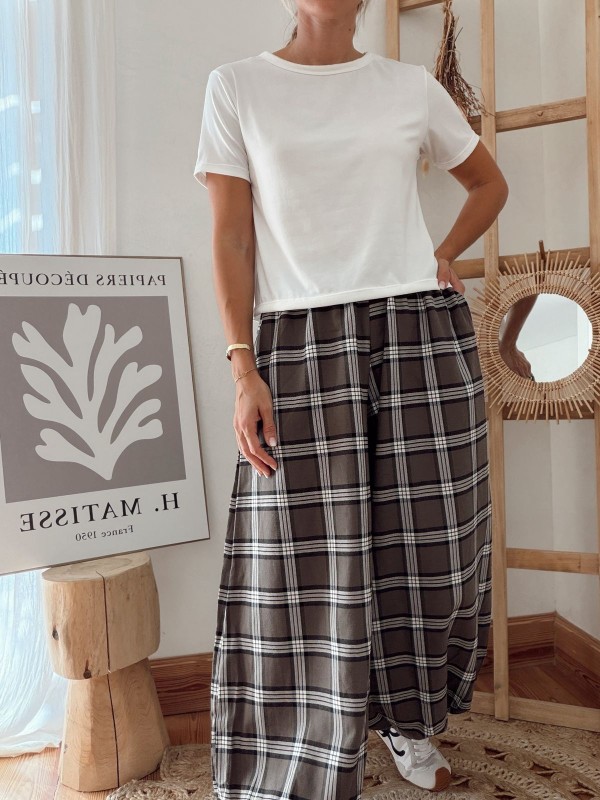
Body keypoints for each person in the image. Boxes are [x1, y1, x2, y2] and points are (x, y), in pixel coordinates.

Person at [193, 1, 508, 798]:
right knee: (301, 558)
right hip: (298, 339)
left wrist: (443, 252)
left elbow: (488, 183)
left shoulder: (408, 87)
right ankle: (302, 744)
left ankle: (408, 719)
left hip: (419, 329)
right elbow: (231, 235)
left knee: (431, 548)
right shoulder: (236, 86)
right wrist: (241, 367)